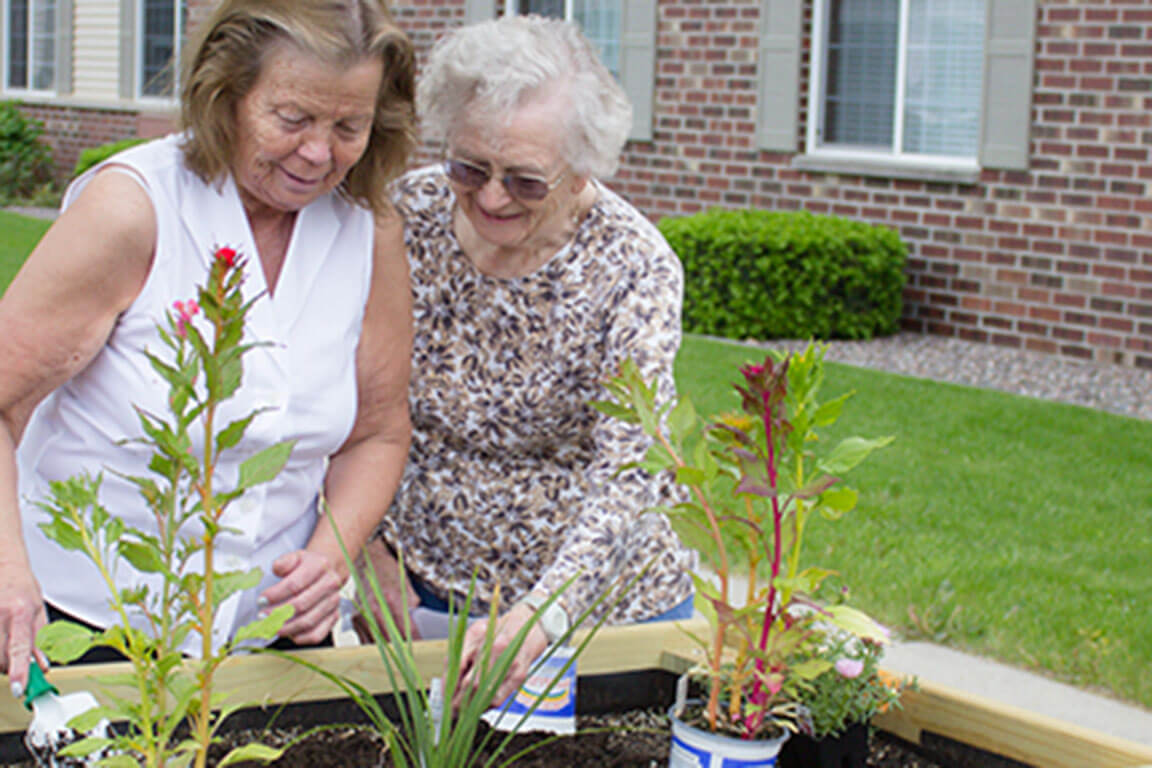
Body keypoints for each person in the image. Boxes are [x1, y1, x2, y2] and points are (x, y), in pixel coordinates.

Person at [0, 0, 416, 696]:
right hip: (78, 625)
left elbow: (378, 432)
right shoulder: (134, 210)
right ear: (225, 96)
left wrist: (331, 554)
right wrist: (8, 571)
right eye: (292, 120)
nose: (320, 153)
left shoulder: (368, 233)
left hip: (262, 642)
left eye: (350, 127)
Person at [356, 14, 697, 704]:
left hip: (595, 615)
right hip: (423, 595)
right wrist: (363, 547)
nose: (489, 196)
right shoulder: (404, 217)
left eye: (526, 181)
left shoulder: (633, 267)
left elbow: (629, 468)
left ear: (581, 171)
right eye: (469, 167)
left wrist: (544, 612)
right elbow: (336, 396)